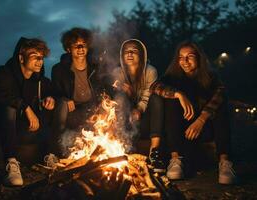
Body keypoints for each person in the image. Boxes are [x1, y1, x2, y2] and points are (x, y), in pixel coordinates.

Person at [150, 41, 236, 184]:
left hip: (206, 129)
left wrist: (202, 119)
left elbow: (221, 93)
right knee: (170, 98)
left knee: (220, 104)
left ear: (199, 58)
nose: (184, 61)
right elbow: (154, 87)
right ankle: (176, 160)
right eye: (181, 57)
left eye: (189, 56)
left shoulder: (210, 77)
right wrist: (178, 94)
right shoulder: (173, 77)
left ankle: (225, 163)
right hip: (181, 131)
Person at [0, 37, 59, 186]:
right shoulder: (5, 72)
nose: (39, 61)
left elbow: (55, 92)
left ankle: (48, 154)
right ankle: (10, 164)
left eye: (41, 57)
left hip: (25, 132)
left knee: (52, 105)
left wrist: (51, 99)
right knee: (9, 107)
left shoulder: (41, 81)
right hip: (0, 131)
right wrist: (25, 107)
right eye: (34, 56)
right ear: (21, 57)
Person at [112, 39, 165, 172]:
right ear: (122, 56)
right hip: (125, 123)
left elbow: (148, 94)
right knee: (120, 97)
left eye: (134, 51)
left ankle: (155, 153)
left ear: (141, 55)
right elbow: (113, 99)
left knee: (156, 98)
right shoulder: (117, 72)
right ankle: (122, 147)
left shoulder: (150, 71)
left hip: (146, 121)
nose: (129, 53)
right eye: (126, 51)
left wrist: (139, 109)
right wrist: (124, 93)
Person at [51, 27, 106, 149]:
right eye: (76, 45)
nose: (81, 48)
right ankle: (55, 149)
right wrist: (65, 99)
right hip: (72, 111)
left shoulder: (96, 67)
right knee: (61, 104)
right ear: (68, 49)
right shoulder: (58, 69)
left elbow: (104, 88)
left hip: (92, 109)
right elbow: (55, 92)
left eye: (83, 45)